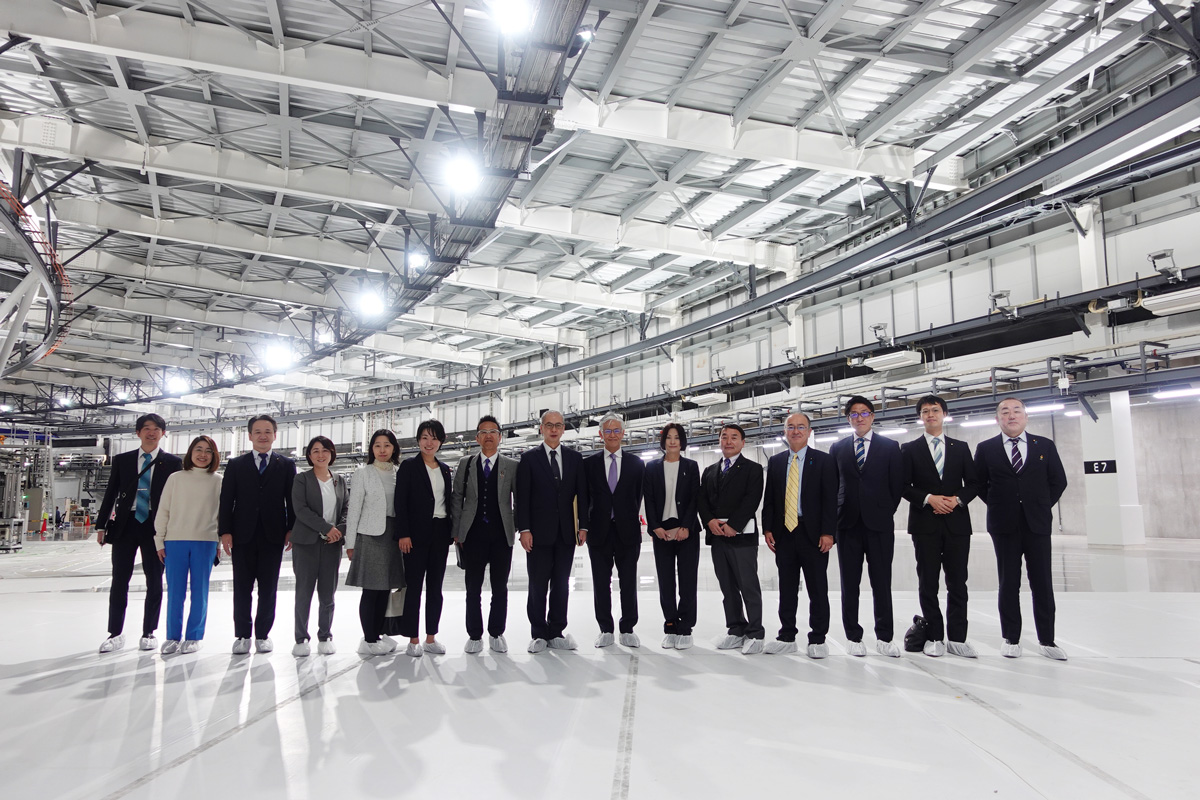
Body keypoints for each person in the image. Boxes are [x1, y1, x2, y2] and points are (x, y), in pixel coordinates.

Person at [974, 397, 1069, 661]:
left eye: (1017, 411)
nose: (1011, 415)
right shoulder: (986, 448)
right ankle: (1011, 638)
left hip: (1037, 524)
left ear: (1026, 417)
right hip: (1004, 525)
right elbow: (979, 484)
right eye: (1005, 412)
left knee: (1042, 582)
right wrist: (1002, 505)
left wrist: (1039, 505)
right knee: (1008, 582)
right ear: (997, 419)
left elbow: (1058, 481)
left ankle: (1047, 640)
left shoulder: (1044, 446)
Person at [95, 413, 182, 653]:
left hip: (156, 526)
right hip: (125, 524)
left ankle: (149, 632)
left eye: (156, 429)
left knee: (154, 580)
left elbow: (177, 499)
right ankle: (115, 633)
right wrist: (101, 525)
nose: (151, 433)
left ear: (163, 433)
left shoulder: (173, 463)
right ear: (138, 433)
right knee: (119, 579)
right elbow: (111, 493)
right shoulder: (122, 460)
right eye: (146, 428)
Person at [901, 396, 980, 658]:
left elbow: (973, 483)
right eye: (925, 411)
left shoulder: (961, 447)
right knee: (928, 582)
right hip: (925, 525)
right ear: (920, 417)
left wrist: (957, 500)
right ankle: (935, 637)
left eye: (935, 410)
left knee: (958, 582)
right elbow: (903, 485)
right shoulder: (909, 449)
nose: (930, 414)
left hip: (957, 524)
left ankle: (958, 638)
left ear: (944, 414)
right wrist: (928, 498)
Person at [830, 395, 904, 657]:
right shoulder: (837, 448)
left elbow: (896, 486)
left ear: (872, 416)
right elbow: (833, 486)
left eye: (864, 413)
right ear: (848, 418)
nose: (859, 418)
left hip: (879, 525)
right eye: (853, 414)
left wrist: (883, 510)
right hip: (847, 524)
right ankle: (853, 636)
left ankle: (884, 637)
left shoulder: (890, 447)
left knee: (881, 583)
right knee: (849, 584)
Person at [218, 415, 297, 655]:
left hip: (273, 535)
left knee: (268, 588)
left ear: (275, 435)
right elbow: (226, 500)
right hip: (242, 535)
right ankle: (242, 635)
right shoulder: (236, 465)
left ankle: (263, 634)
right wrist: (225, 531)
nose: (263, 436)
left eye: (268, 431)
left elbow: (291, 500)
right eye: (258, 431)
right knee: (242, 587)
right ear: (250, 435)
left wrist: (291, 528)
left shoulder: (286, 465)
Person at [761, 413, 838, 658]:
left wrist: (828, 532)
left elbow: (830, 500)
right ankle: (787, 636)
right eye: (791, 427)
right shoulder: (776, 462)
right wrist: (767, 528)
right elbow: (770, 499)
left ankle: (818, 638)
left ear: (809, 431)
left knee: (817, 588)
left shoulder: (824, 461)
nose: (796, 431)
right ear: (785, 431)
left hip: (813, 533)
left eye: (801, 427)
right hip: (784, 533)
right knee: (786, 587)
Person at [515, 410, 589, 654]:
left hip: (566, 533)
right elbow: (522, 498)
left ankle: (556, 631)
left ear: (564, 428)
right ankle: (538, 633)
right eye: (549, 425)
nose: (554, 429)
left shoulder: (575, 459)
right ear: (541, 428)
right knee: (538, 584)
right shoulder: (529, 459)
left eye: (558, 425)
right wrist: (524, 529)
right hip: (538, 534)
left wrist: (583, 526)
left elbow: (583, 495)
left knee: (561, 584)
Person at [451, 415, 518, 654]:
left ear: (500, 437)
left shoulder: (512, 466)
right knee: (473, 588)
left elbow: (519, 499)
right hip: (473, 535)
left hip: (501, 536)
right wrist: (457, 531)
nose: (488, 436)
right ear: (477, 438)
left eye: (493, 432)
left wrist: (515, 525)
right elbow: (457, 497)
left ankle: (496, 633)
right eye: (484, 432)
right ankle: (474, 635)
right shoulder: (466, 464)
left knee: (500, 588)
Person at [698, 423, 765, 655]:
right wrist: (709, 521)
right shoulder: (709, 471)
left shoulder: (753, 469)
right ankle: (736, 629)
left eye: (734, 437)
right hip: (718, 538)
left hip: (742, 538)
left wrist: (733, 526)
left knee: (748, 586)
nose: (728, 441)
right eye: (724, 437)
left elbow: (751, 500)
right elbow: (702, 500)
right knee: (727, 588)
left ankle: (755, 633)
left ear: (742, 442)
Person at [154, 435, 222, 655]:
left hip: (206, 541)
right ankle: (173, 636)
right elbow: (163, 510)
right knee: (175, 591)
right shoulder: (176, 478)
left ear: (214, 455)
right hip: (175, 541)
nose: (203, 455)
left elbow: (222, 514)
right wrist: (159, 540)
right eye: (198, 449)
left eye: (208, 451)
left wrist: (219, 542)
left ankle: (194, 636)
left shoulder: (218, 481)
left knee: (200, 591)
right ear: (190, 452)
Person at [583, 413, 646, 648]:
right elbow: (584, 498)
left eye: (616, 430)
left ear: (623, 433)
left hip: (627, 531)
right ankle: (605, 629)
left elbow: (638, 495)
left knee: (628, 582)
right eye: (607, 431)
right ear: (600, 434)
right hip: (598, 532)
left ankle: (628, 628)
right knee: (601, 583)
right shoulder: (589, 464)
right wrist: (583, 526)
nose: (612, 435)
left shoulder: (636, 464)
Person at [394, 420, 454, 658]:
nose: (430, 443)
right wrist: (403, 533)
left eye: (434, 438)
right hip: (415, 535)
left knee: (435, 589)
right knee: (414, 588)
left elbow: (448, 502)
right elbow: (400, 502)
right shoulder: (409, 466)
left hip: (440, 533)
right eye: (425, 438)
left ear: (441, 442)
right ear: (418, 440)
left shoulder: (445, 469)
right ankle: (413, 639)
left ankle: (431, 637)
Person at [345, 429, 405, 656]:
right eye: (377, 445)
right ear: (372, 449)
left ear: (394, 448)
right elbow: (354, 510)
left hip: (392, 535)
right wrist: (350, 543)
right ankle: (369, 639)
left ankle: (378, 634)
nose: (382, 450)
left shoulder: (399, 472)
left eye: (387, 445)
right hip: (370, 535)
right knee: (371, 590)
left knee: (385, 589)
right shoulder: (363, 473)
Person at [643, 422, 701, 650]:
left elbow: (695, 498)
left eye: (677, 437)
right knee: (666, 581)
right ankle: (670, 624)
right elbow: (649, 499)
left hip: (687, 531)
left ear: (682, 441)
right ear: (663, 441)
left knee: (688, 580)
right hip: (662, 532)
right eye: (669, 437)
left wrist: (686, 526)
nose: (673, 441)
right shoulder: (652, 467)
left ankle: (685, 627)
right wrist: (655, 527)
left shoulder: (691, 466)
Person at [290, 435, 347, 657]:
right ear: (309, 455)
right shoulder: (302, 479)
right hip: (306, 544)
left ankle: (325, 635)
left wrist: (338, 530)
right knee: (303, 592)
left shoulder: (339, 480)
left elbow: (347, 508)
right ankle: (301, 638)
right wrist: (326, 528)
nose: (321, 454)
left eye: (325, 450)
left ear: (332, 454)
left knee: (328, 593)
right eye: (315, 450)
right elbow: (301, 509)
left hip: (332, 544)